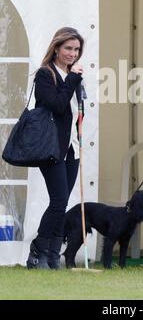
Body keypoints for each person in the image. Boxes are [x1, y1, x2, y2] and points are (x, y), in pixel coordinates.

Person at [26, 27, 85, 270]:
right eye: (69, 48)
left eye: (77, 49)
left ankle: (52, 255)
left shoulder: (73, 75)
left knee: (63, 200)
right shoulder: (45, 74)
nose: (73, 54)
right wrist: (72, 79)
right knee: (58, 200)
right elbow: (57, 106)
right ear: (57, 48)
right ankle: (37, 252)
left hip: (72, 147)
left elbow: (74, 111)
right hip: (51, 147)